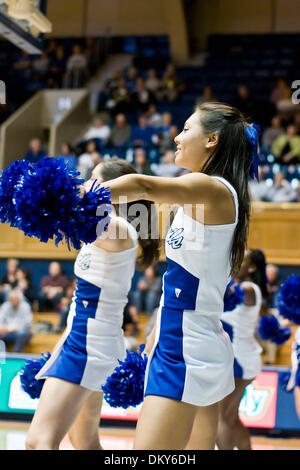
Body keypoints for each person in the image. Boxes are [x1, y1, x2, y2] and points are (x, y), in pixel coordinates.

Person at [97, 101, 256, 450]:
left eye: (186, 129)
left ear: (212, 139)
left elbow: (144, 186)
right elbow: (145, 223)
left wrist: (70, 198)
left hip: (186, 345)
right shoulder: (197, 196)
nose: (177, 137)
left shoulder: (211, 188)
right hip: (188, 335)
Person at [25, 158, 160, 450]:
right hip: (87, 338)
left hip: (89, 345)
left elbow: (72, 215)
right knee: (84, 441)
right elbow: (80, 303)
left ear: (114, 191)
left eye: (93, 179)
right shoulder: (104, 232)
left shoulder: (120, 229)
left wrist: (40, 189)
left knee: (38, 442)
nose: (86, 184)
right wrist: (57, 350)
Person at [215, 249, 269, 450]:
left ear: (252, 267)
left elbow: (235, 293)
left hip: (238, 359)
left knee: (221, 419)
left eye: (241, 260)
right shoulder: (248, 287)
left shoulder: (248, 288)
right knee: (230, 417)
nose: (235, 262)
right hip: (242, 357)